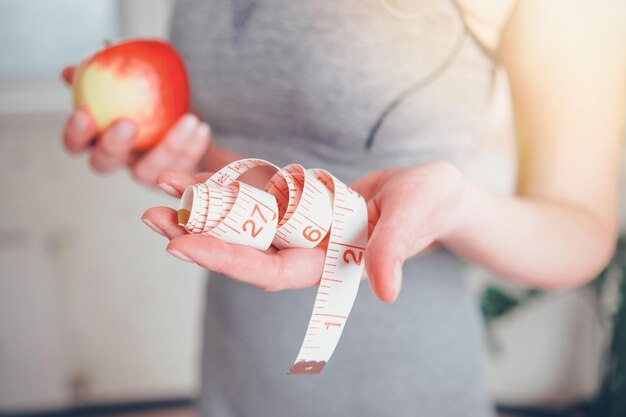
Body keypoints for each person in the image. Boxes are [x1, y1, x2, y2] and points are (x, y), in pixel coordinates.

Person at [61, 1, 626, 416]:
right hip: (236, 372)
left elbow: (581, 227)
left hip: (404, 390)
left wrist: (456, 208)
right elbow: (257, 151)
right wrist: (182, 157)